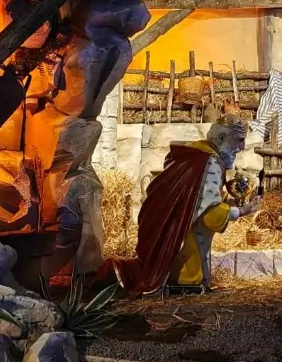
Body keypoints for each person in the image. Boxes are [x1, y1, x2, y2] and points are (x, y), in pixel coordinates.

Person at [108, 114, 260, 294]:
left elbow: (199, 199)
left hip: (172, 224)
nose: (241, 147)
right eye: (239, 140)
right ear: (221, 138)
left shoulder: (197, 153)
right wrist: (242, 211)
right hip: (181, 234)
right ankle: (184, 285)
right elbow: (210, 215)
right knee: (191, 273)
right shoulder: (209, 163)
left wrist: (231, 200)